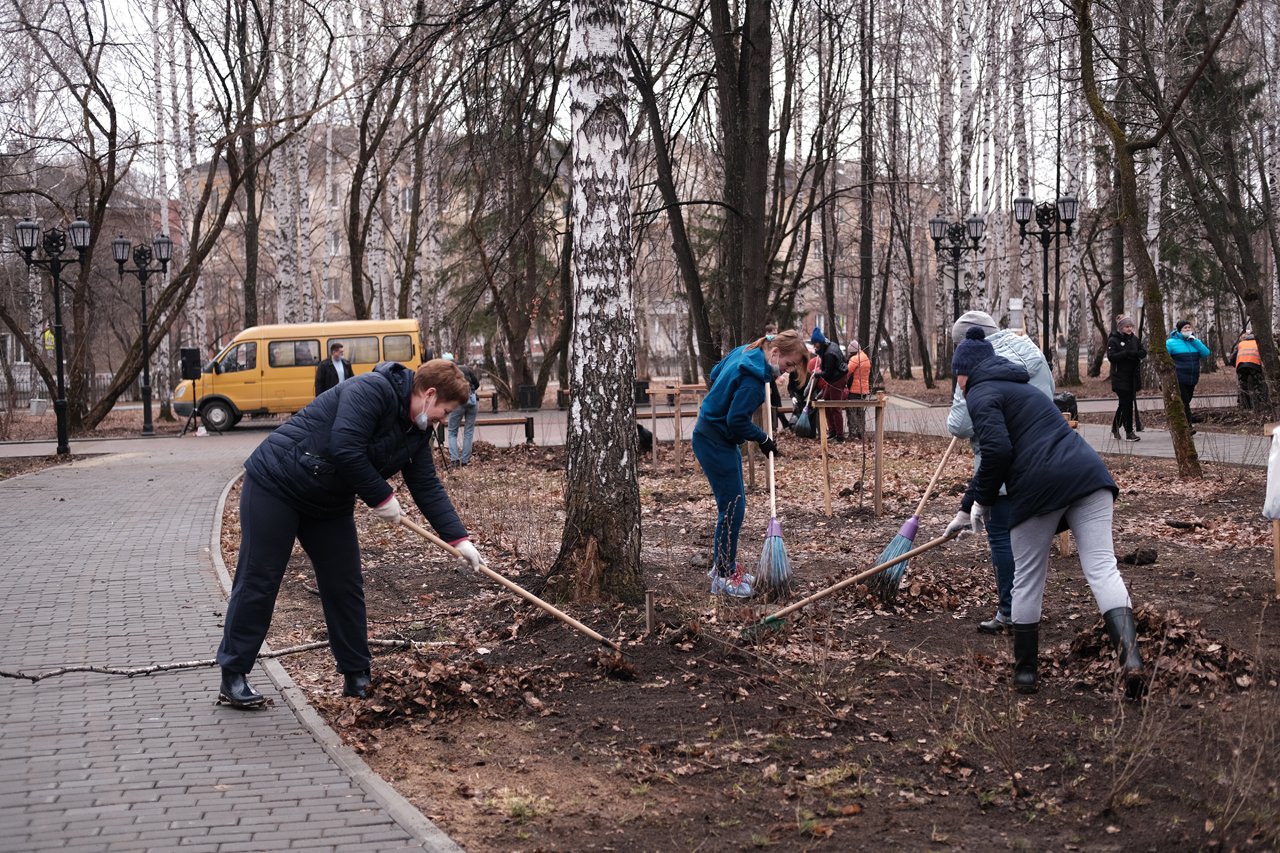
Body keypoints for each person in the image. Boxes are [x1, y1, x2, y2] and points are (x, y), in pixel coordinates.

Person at [216, 359, 483, 709]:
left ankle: (357, 675)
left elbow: (427, 486)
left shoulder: (416, 432)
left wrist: (458, 539)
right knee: (260, 578)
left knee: (344, 584)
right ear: (429, 394)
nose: (444, 421)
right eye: (445, 411)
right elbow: (345, 446)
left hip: (327, 502)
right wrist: (382, 496)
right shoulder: (371, 390)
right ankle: (233, 674)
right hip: (277, 484)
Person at [943, 328, 1144, 697]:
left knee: (1029, 577)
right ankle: (1132, 661)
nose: (956, 383)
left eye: (956, 375)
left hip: (1039, 488)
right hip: (1089, 476)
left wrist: (982, 502)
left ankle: (1025, 675)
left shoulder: (980, 393)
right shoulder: (1021, 388)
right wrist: (965, 506)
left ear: (965, 372)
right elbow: (995, 452)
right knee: (1102, 568)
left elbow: (998, 452)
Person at [946, 311, 1055, 636]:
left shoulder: (978, 364)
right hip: (1041, 458)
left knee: (1002, 539)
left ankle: (1010, 612)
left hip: (1001, 463)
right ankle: (1027, 611)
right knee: (1028, 544)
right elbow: (1046, 398)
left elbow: (960, 424)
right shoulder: (1033, 352)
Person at [693, 330, 808, 597]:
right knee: (733, 508)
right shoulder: (753, 382)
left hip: (714, 437)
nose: (784, 373)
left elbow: (715, 372)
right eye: (787, 365)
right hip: (715, 441)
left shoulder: (747, 350)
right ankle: (723, 577)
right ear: (776, 353)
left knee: (732, 505)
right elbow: (737, 421)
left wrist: (723, 394)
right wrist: (763, 438)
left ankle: (722, 566)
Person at [1106, 315, 1147, 442]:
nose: (1129, 329)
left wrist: (1140, 354)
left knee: (1124, 404)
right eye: (1127, 327)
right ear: (1121, 328)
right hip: (1120, 377)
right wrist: (1126, 354)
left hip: (1132, 377)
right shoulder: (1113, 340)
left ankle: (1115, 427)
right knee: (1127, 404)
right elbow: (1111, 357)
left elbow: (1141, 351)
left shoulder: (1134, 339)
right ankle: (1129, 431)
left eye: (1131, 326)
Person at [1167, 319, 1211, 433]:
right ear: (1179, 330)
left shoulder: (1194, 342)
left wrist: (1195, 341)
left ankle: (1176, 423)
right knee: (1184, 401)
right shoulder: (1171, 342)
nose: (1187, 330)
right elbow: (1165, 359)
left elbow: (1206, 353)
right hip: (1179, 377)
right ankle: (1188, 427)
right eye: (1185, 328)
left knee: (1186, 400)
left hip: (1192, 378)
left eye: (1189, 328)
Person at [810, 327, 848, 442]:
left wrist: (817, 374)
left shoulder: (829, 354)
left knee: (835, 407)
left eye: (815, 344)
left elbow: (827, 373)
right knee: (825, 401)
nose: (814, 346)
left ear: (820, 342)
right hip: (834, 378)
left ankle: (840, 436)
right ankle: (832, 431)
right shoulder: (830, 345)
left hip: (838, 378)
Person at [442, 352, 480, 467]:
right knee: (469, 431)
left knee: (452, 432)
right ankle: (465, 460)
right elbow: (477, 384)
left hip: (458, 403)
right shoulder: (465, 368)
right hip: (473, 401)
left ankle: (454, 460)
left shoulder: (446, 374)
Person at [1229, 331, 1267, 410]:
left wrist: (1236, 366)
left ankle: (1245, 406)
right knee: (1258, 385)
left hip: (1241, 366)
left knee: (1243, 386)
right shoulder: (1258, 342)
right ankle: (1261, 405)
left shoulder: (1241, 344)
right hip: (1255, 365)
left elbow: (1232, 358)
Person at [844, 340, 872, 439]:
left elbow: (846, 372)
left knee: (852, 412)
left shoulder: (855, 359)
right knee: (860, 412)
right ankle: (861, 433)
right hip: (864, 390)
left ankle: (853, 434)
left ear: (852, 352)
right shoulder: (866, 358)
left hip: (854, 390)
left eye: (850, 353)